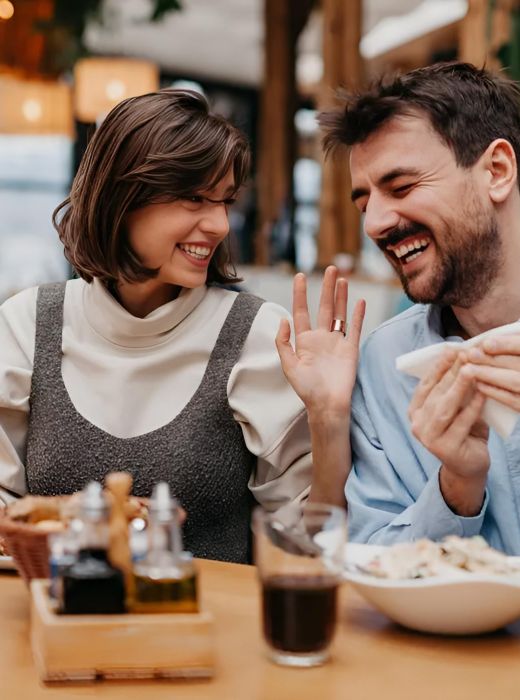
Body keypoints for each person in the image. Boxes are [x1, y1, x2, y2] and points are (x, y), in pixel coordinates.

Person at [0, 88, 359, 564]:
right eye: (193, 198)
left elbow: (307, 543)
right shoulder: (29, 324)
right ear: (121, 199)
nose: (220, 225)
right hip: (55, 624)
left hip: (213, 631)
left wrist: (330, 420)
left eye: (225, 201)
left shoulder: (256, 335)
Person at [278, 62, 520, 555]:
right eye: (365, 203)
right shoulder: (383, 362)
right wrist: (458, 486)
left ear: (496, 172)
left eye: (402, 187)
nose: (375, 224)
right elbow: (372, 556)